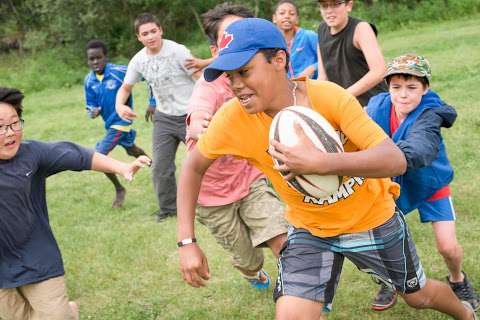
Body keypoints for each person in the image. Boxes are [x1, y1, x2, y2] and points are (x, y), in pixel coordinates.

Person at [176, 18, 477, 320]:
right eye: (229, 76)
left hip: (372, 219)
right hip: (310, 230)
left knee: (418, 295)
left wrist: (321, 163)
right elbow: (192, 168)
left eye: (244, 71)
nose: (236, 85)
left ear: (279, 60)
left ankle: (464, 314)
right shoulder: (233, 118)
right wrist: (187, 241)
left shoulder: (329, 97)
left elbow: (394, 160)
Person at [0, 87, 150, 320]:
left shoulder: (31, 155)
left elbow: (76, 155)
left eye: (14, 123)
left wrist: (121, 167)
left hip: (37, 257)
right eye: (0, 127)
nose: (9, 133)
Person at [185, 3, 288, 289]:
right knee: (248, 257)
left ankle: (302, 290)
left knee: (280, 235)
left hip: (250, 178)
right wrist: (200, 126)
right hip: (212, 195)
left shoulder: (261, 79)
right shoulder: (209, 87)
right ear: (216, 51)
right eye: (230, 35)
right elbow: (198, 114)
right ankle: (250, 269)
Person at [366, 54, 480, 312]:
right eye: (396, 87)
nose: (403, 95)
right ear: (388, 87)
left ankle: (458, 279)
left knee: (448, 247)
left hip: (431, 182)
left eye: (412, 88)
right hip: (394, 183)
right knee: (383, 239)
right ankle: (392, 280)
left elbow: (419, 149)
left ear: (425, 88)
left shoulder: (431, 112)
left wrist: (382, 156)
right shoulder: (376, 108)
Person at [116, 13, 202, 221]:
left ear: (161, 30)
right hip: (164, 118)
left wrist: (204, 109)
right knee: (160, 168)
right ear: (138, 37)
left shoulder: (178, 51)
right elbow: (125, 88)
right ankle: (169, 209)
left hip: (190, 115)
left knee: (206, 161)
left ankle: (217, 201)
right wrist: (119, 105)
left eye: (154, 31)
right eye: (145, 33)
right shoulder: (138, 60)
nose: (150, 36)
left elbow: (200, 79)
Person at [84, 39, 151, 208]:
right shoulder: (89, 81)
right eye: (91, 59)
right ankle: (156, 167)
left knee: (99, 156)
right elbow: (90, 106)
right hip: (110, 123)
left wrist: (153, 101)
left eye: (98, 58)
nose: (95, 62)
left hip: (122, 122)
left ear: (105, 57)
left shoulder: (119, 71)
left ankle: (119, 189)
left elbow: (149, 76)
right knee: (131, 149)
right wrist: (93, 111)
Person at [316, 0, 387, 106]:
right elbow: (323, 77)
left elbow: (379, 71)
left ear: (349, 5)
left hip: (373, 104)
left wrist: (343, 95)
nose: (329, 11)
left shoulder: (361, 29)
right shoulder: (321, 30)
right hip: (344, 106)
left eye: (336, 4)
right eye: (324, 6)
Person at [272, 0, 318, 79]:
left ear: (297, 19)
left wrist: (312, 68)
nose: (287, 16)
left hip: (310, 87)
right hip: (284, 88)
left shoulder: (309, 36)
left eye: (292, 13)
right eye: (282, 13)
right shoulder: (269, 43)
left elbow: (327, 58)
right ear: (274, 18)